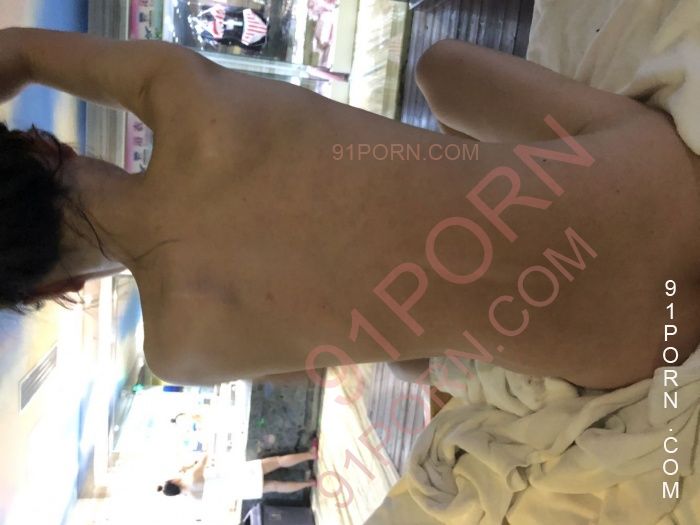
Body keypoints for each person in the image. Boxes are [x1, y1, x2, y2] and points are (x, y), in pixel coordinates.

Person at [0, 26, 698, 392]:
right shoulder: (182, 96)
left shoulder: (182, 353)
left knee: (408, 346)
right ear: (42, 144)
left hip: (641, 344)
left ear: (57, 287)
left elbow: (400, 354)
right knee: (439, 70)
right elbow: (20, 52)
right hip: (656, 179)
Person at [157, 446, 318, 500]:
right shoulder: (192, 477)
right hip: (241, 474)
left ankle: (310, 483)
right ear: (173, 481)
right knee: (278, 461)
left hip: (241, 490)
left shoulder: (193, 496)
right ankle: (310, 455)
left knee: (276, 487)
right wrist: (188, 467)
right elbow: (205, 458)